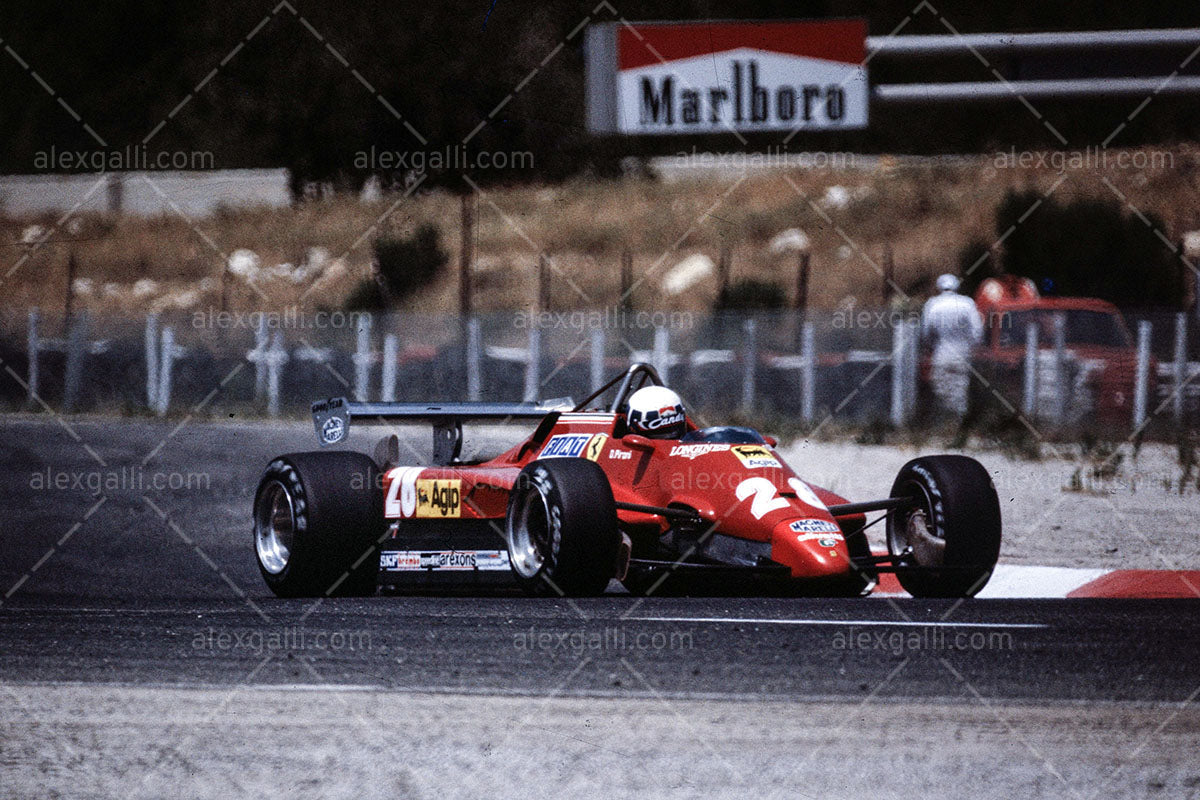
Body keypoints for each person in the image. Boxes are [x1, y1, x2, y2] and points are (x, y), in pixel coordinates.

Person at [921, 273, 983, 419]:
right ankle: (959, 420)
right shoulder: (967, 303)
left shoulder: (932, 304)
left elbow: (926, 332)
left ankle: (946, 420)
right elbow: (977, 331)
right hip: (962, 352)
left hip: (941, 352)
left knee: (941, 386)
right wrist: (971, 346)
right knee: (960, 387)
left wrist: (931, 346)